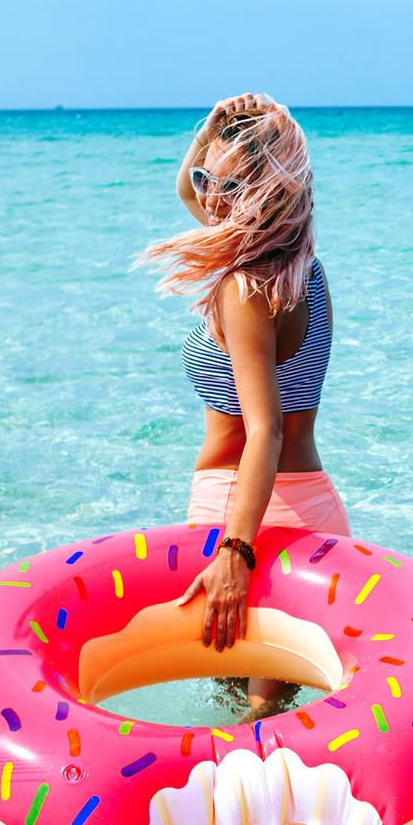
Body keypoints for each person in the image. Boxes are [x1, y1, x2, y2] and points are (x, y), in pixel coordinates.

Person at [132, 92, 350, 720]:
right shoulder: (303, 269)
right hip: (311, 512)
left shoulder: (244, 288)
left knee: (248, 723)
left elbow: (265, 432)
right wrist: (214, 129)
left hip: (245, 513)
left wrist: (236, 551)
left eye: (227, 187)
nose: (208, 199)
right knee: (262, 724)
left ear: (262, 194)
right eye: (208, 179)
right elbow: (187, 189)